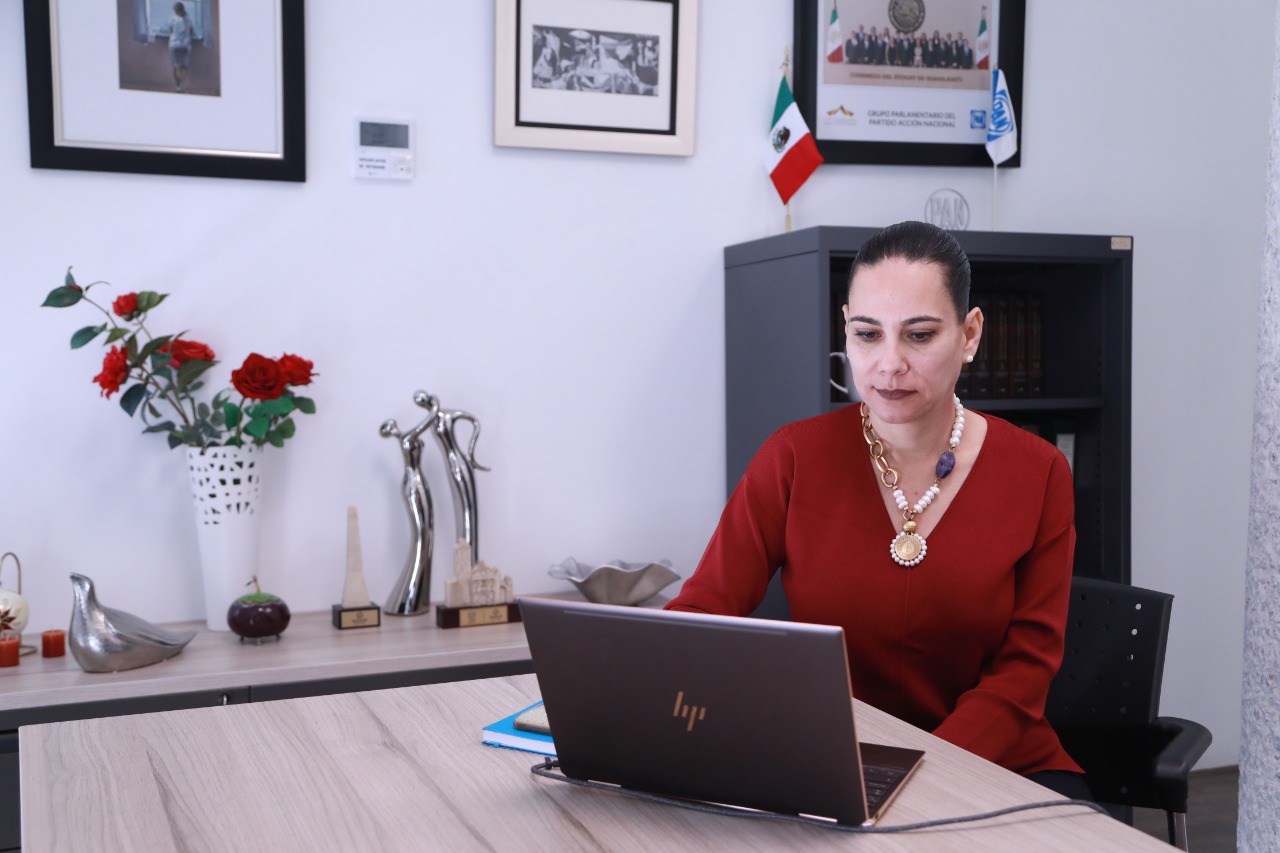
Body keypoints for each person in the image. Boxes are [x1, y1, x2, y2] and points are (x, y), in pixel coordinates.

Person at [666, 221, 1089, 801]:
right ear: (846, 329)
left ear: (969, 334)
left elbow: (1027, 668)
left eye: (919, 335)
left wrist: (917, 774)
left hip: (995, 764)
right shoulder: (793, 456)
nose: (889, 364)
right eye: (868, 334)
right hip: (833, 759)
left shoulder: (1039, 471)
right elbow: (702, 613)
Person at [168, 2, 195, 93]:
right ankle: (182, 86)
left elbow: (170, 30)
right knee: (184, 66)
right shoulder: (189, 20)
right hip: (185, 45)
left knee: (176, 66)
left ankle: (178, 86)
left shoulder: (172, 19)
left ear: (175, 10)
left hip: (174, 44)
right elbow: (192, 32)